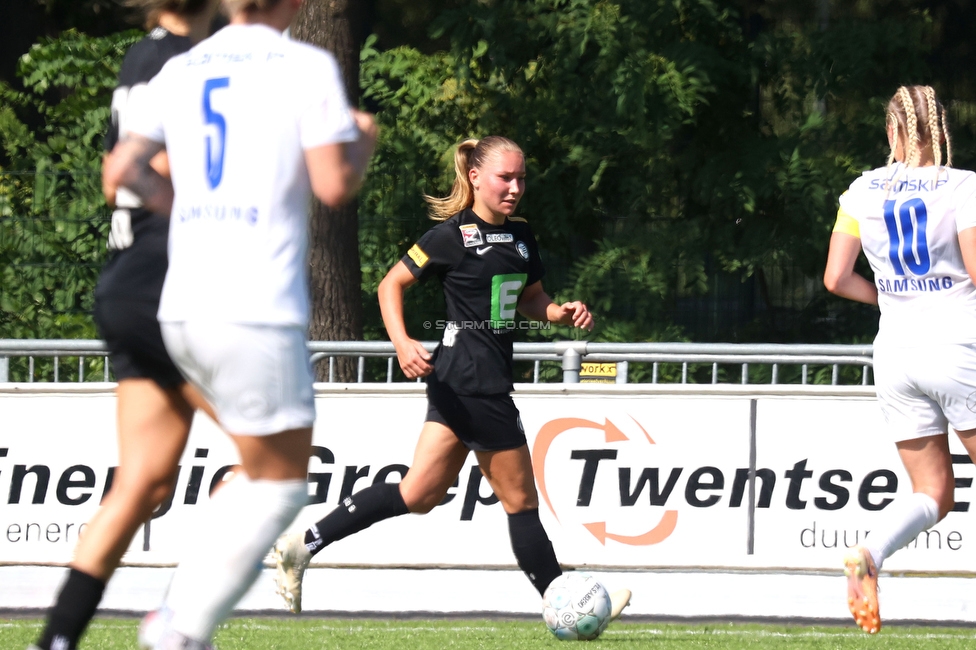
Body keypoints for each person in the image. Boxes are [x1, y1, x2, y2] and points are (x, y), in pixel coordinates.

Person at [101, 0, 377, 647]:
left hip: (180, 305)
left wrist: (187, 207)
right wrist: (362, 144)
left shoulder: (184, 68)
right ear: (297, 5)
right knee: (282, 487)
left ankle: (179, 619)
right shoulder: (306, 66)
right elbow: (334, 186)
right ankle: (178, 628)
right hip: (256, 304)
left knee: (257, 474)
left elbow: (122, 171)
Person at [272, 135, 632, 622]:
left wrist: (558, 313)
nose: (515, 187)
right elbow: (389, 284)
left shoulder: (521, 236)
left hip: (462, 380)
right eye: (505, 177)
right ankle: (567, 603)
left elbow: (530, 299)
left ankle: (303, 544)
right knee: (522, 502)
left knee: (418, 493)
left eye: (521, 178)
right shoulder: (451, 235)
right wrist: (401, 342)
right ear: (476, 177)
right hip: (472, 381)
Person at [29, 3, 221, 649]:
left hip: (123, 281)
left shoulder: (143, 54)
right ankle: (181, 621)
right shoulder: (186, 63)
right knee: (275, 457)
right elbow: (141, 171)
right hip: (166, 285)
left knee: (144, 482)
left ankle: (55, 640)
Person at [824, 85, 976, 634]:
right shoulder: (962, 186)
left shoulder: (862, 190)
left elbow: (836, 278)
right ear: (939, 127)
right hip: (958, 346)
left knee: (933, 492)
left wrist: (889, 297)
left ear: (892, 131)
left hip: (894, 355)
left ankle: (870, 552)